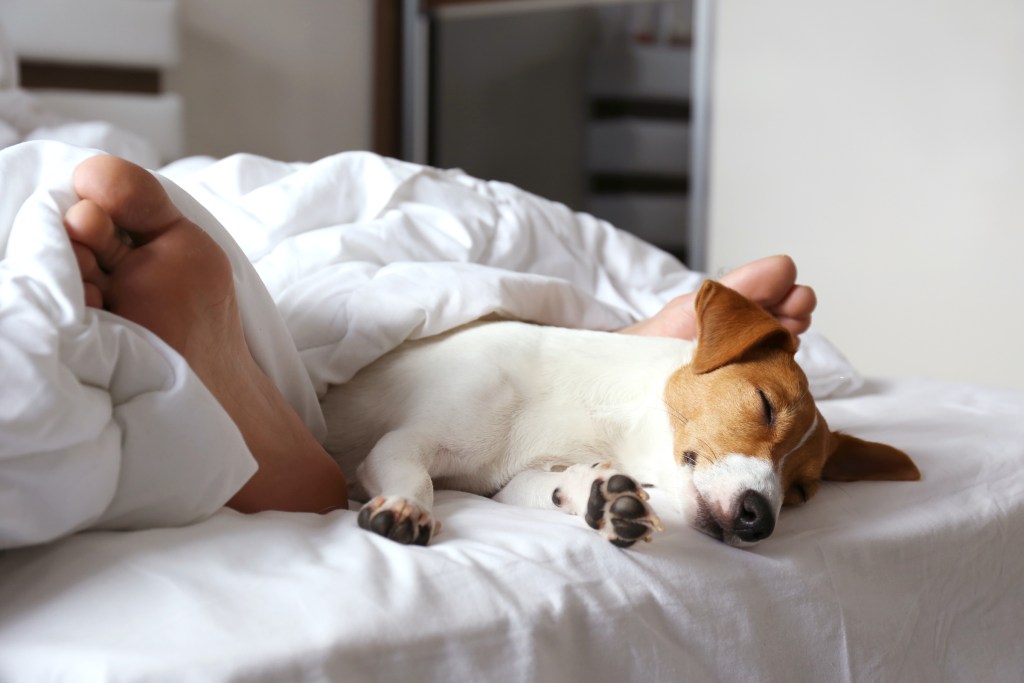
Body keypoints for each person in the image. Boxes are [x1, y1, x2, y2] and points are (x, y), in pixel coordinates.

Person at [64, 155, 817, 516]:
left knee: (511, 416)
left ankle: (276, 413)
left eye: (797, 486)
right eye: (763, 411)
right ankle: (613, 335)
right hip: (480, 372)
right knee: (388, 266)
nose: (768, 501)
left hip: (502, 414)